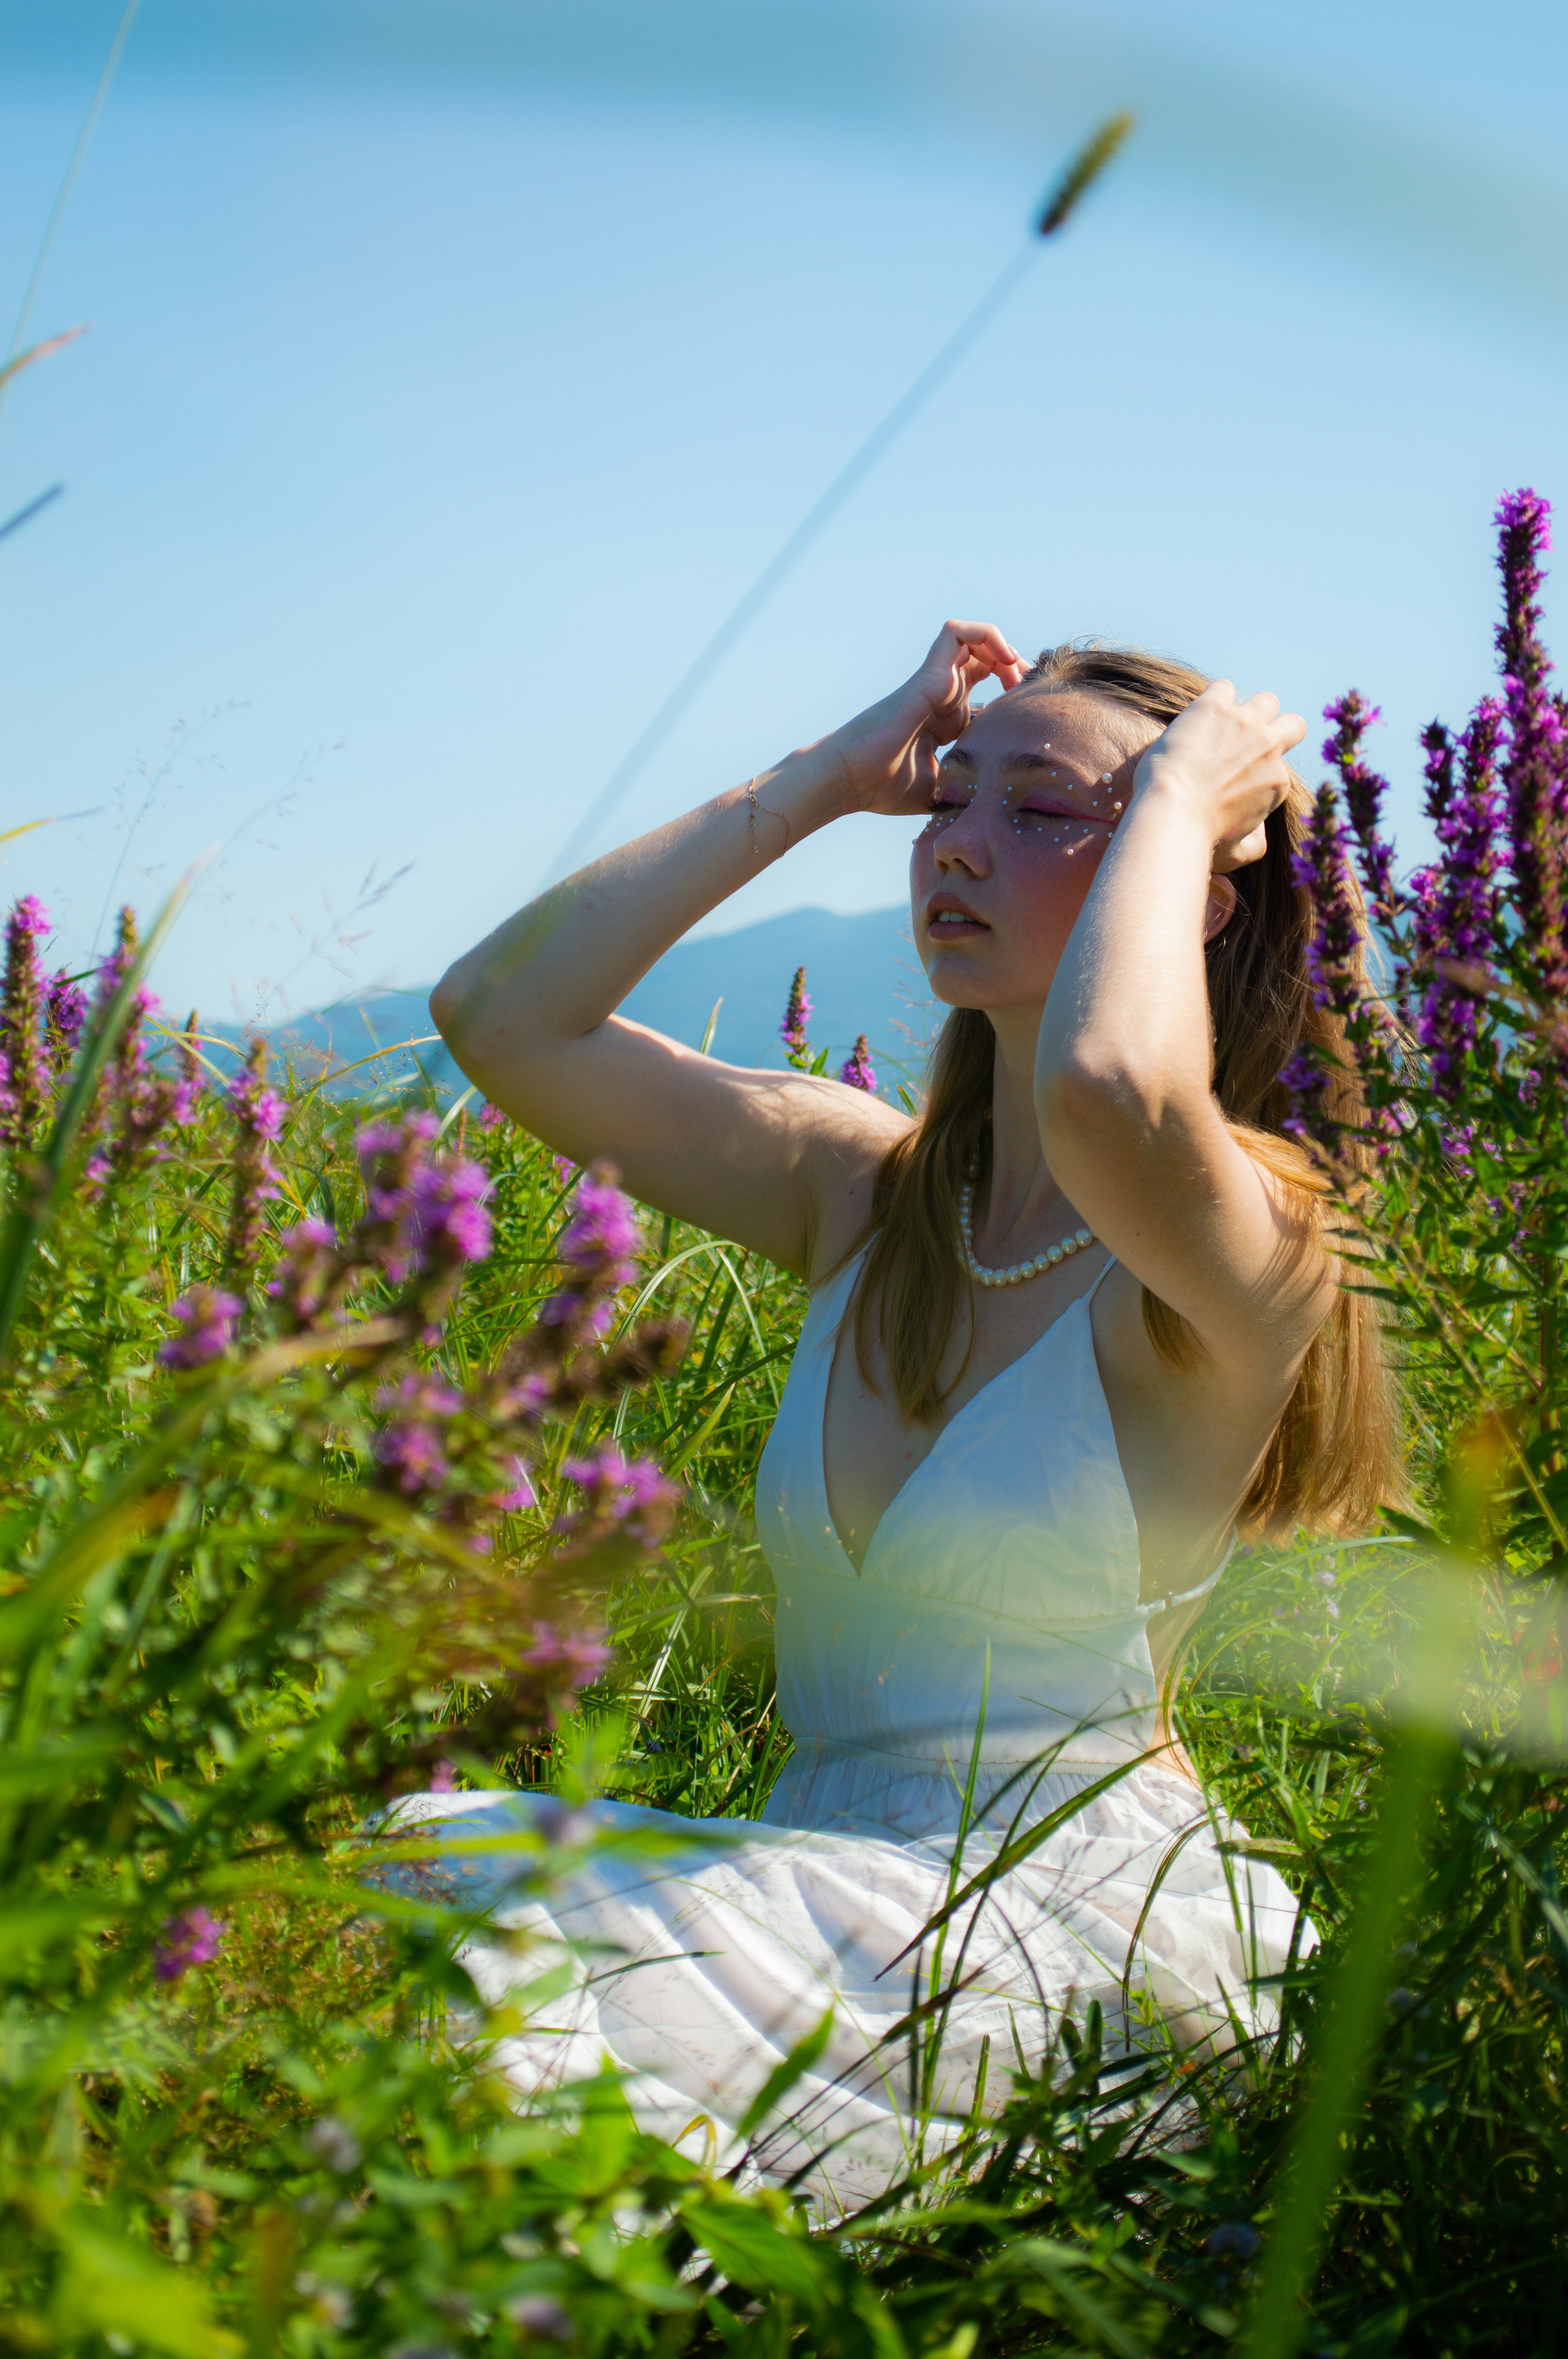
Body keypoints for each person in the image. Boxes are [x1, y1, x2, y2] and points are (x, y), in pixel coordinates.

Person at [410, 625, 1398, 2213]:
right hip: (814, 1893)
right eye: (952, 797)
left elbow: (1114, 1093)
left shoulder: (1254, 1236)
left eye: (1047, 811)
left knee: (507, 2002)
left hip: (1063, 1925)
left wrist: (1186, 793)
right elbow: (500, 1014)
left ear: (1192, 881)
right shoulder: (863, 1190)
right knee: (420, 1863)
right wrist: (824, 777)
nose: (960, 843)